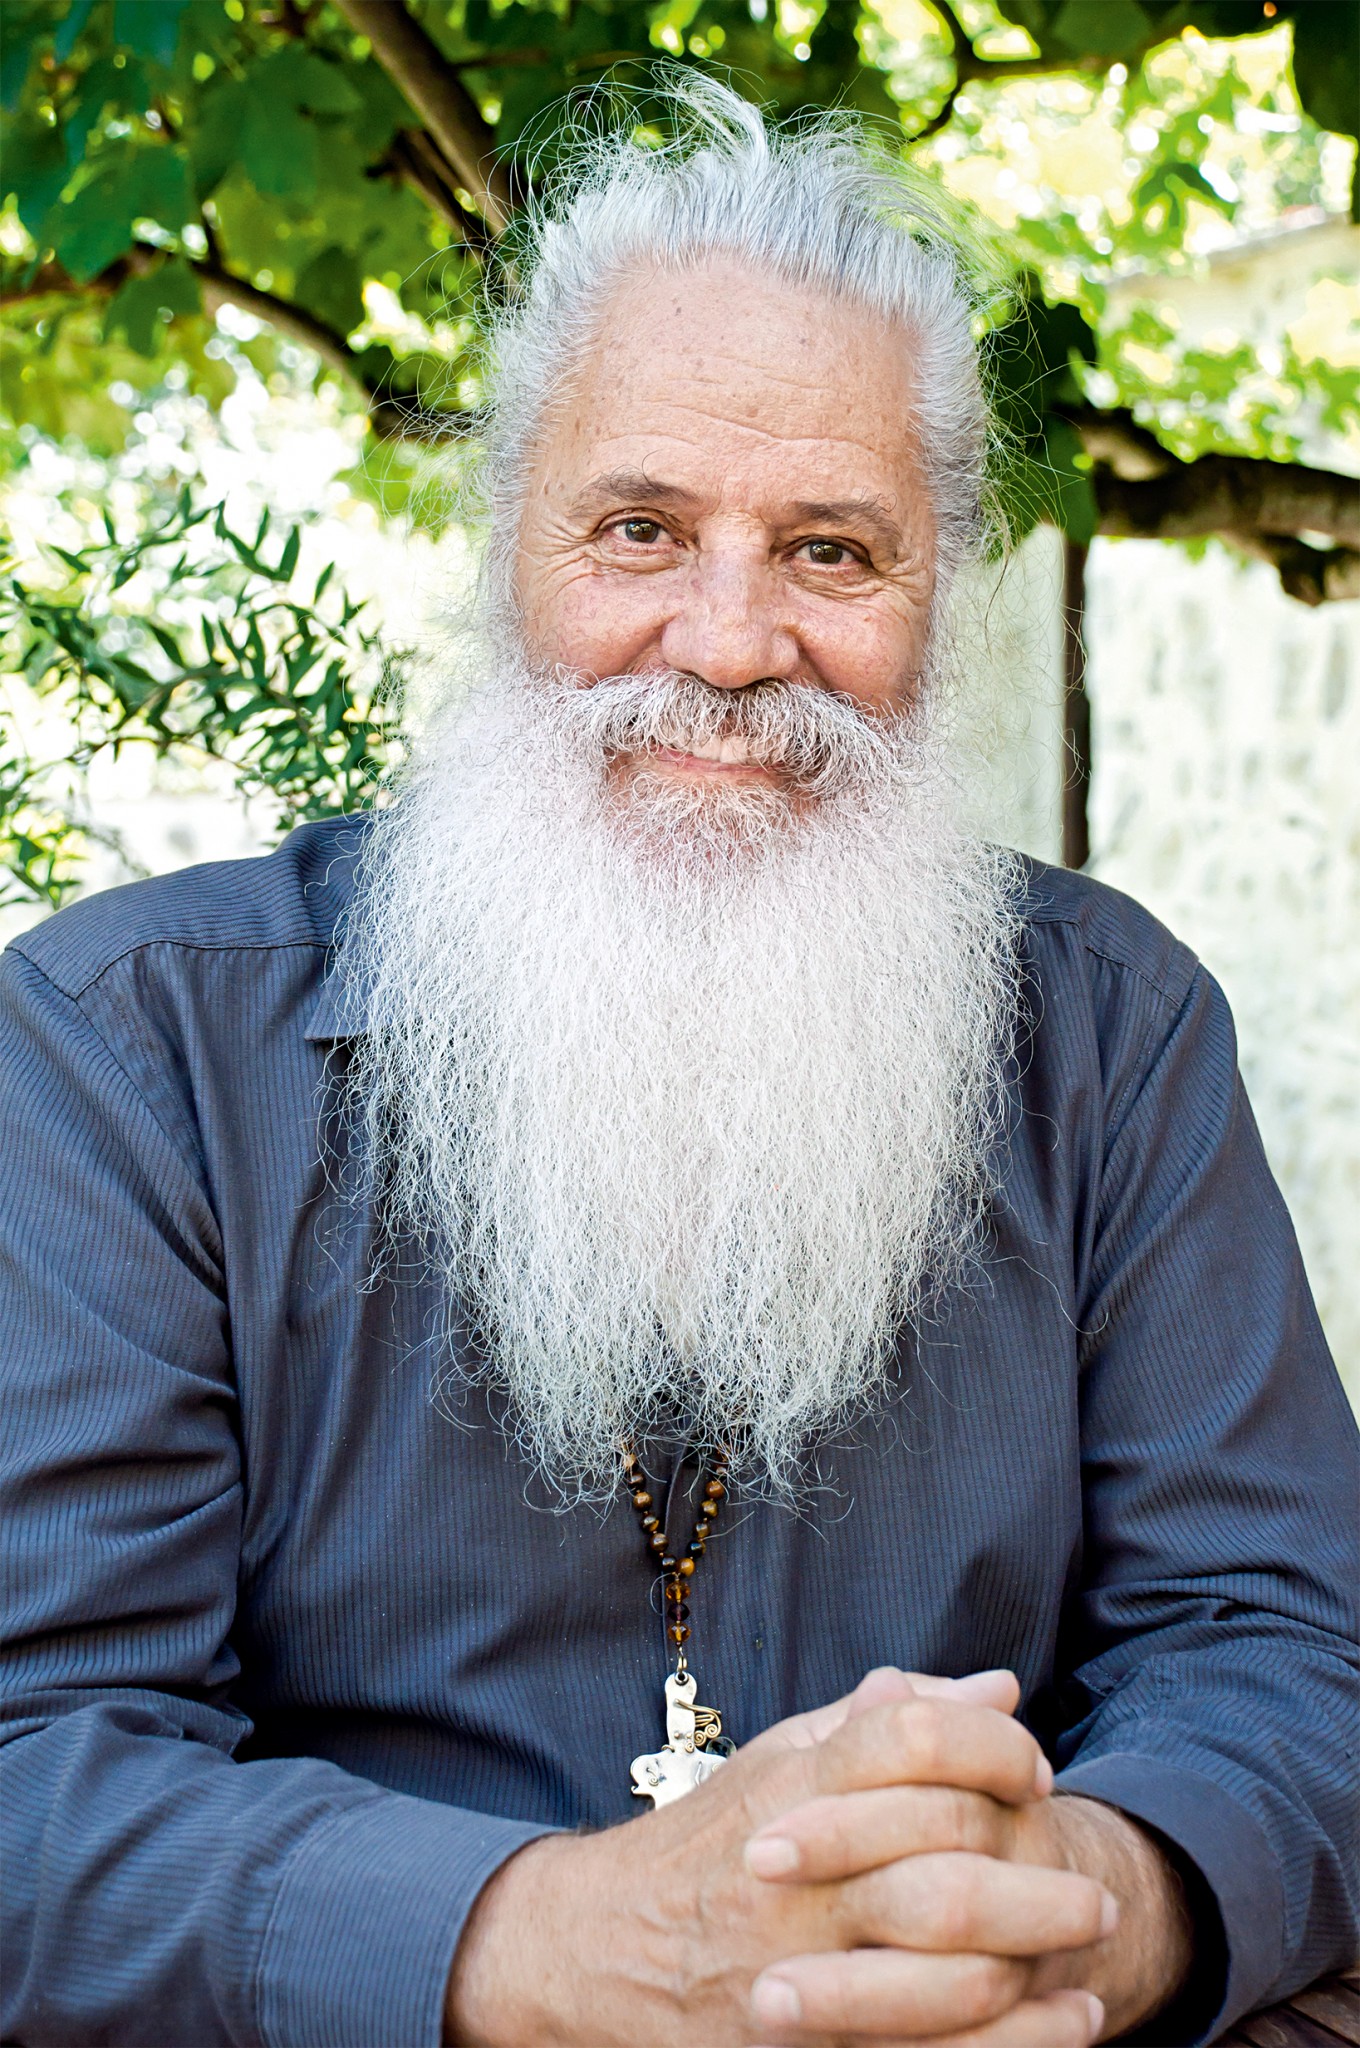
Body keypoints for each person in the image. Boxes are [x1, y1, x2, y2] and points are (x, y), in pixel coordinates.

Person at [1, 79, 1355, 2048]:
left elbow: (1290, 1650)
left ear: (944, 596)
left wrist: (1081, 1901)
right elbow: (33, 1763)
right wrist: (566, 1944)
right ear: (503, 545)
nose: (725, 645)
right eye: (639, 529)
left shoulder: (1113, 1036)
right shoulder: (125, 1051)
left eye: (830, 552)